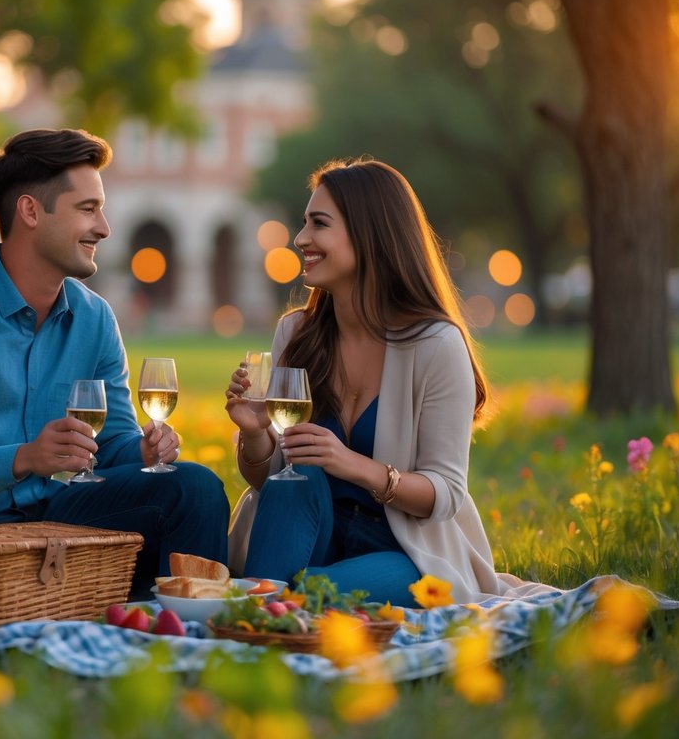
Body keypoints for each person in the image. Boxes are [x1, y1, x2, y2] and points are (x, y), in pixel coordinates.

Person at [0, 127, 229, 606]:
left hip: (47, 522)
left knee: (194, 488)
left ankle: (185, 637)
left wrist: (143, 451)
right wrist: (23, 458)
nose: (104, 228)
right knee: (10, 602)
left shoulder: (95, 318)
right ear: (31, 211)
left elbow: (112, 440)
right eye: (88, 209)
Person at [225, 157, 536, 606]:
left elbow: (445, 494)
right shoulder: (295, 333)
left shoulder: (436, 344)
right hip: (311, 531)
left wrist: (351, 464)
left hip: (403, 548)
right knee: (297, 478)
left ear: (369, 235)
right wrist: (254, 436)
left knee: (315, 593)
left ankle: (263, 603)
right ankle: (265, 604)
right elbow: (268, 480)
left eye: (319, 223)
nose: (300, 238)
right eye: (304, 222)